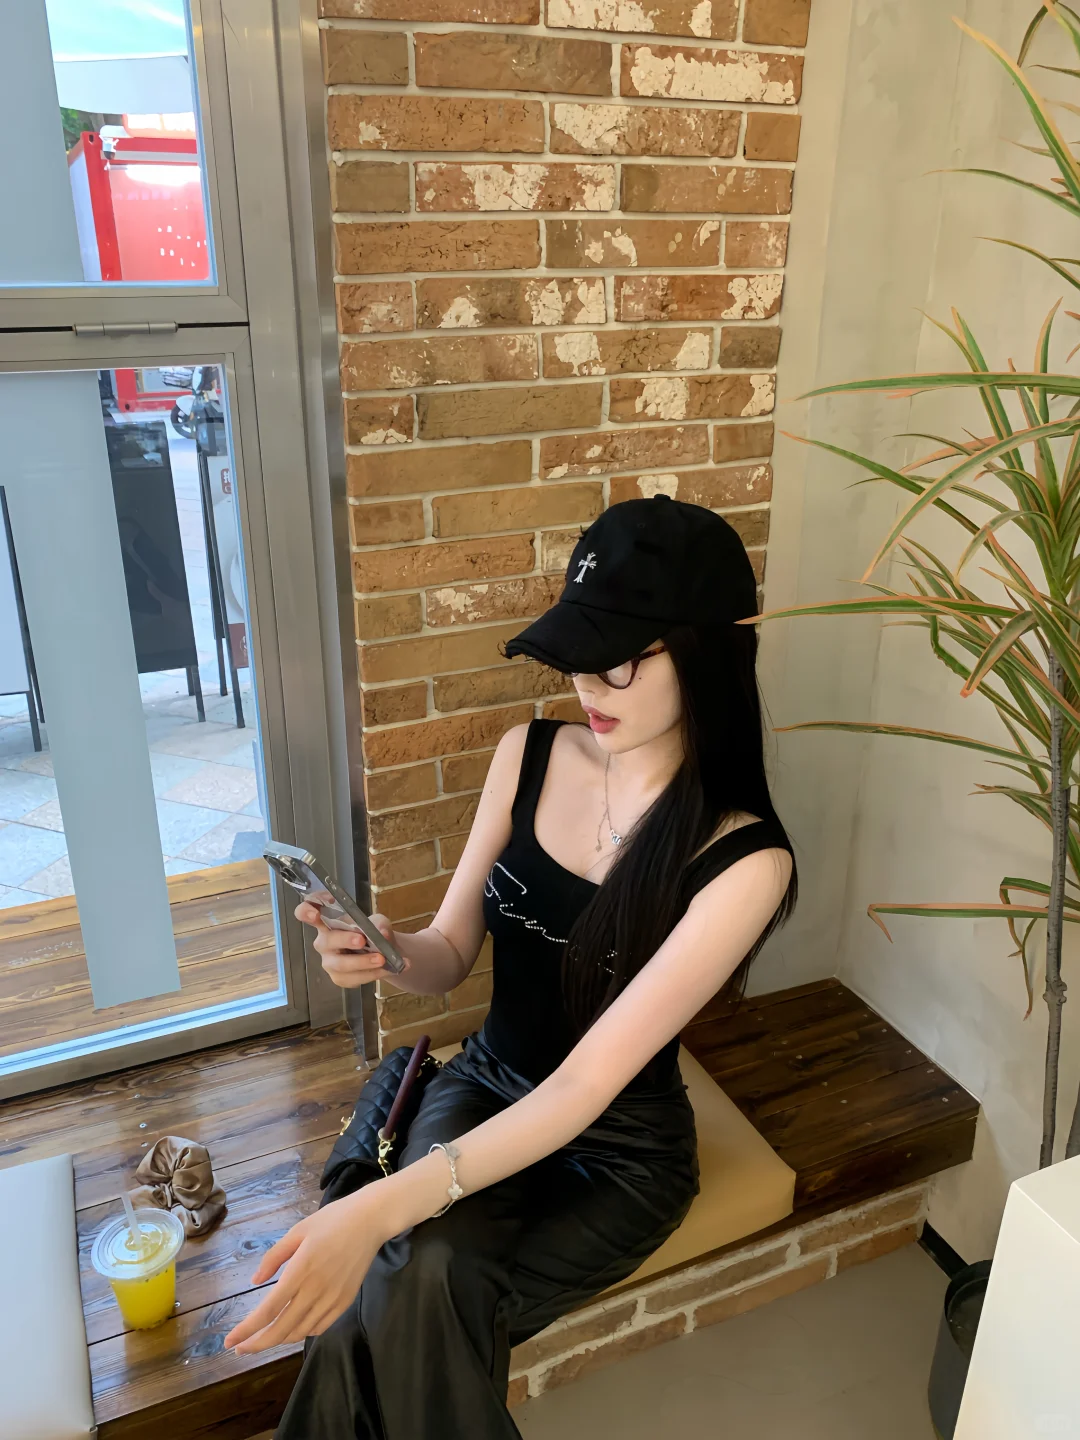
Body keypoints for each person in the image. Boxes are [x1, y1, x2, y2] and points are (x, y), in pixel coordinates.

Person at [225, 496, 798, 1439]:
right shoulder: (526, 756)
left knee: (407, 1275)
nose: (585, 684)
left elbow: (582, 1088)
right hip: (488, 1084)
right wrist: (385, 953)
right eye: (575, 654)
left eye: (617, 659)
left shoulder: (743, 860)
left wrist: (372, 1214)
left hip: (617, 1150)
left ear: (706, 652)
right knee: (418, 1276)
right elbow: (448, 956)